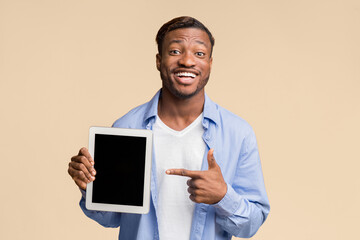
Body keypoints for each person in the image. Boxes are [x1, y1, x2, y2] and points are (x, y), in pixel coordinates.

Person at [68, 16, 270, 240]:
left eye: (199, 53)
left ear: (210, 63)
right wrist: (90, 187)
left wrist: (223, 196)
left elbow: (251, 225)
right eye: (175, 51)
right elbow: (110, 217)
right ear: (158, 60)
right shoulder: (127, 127)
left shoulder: (238, 133)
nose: (187, 61)